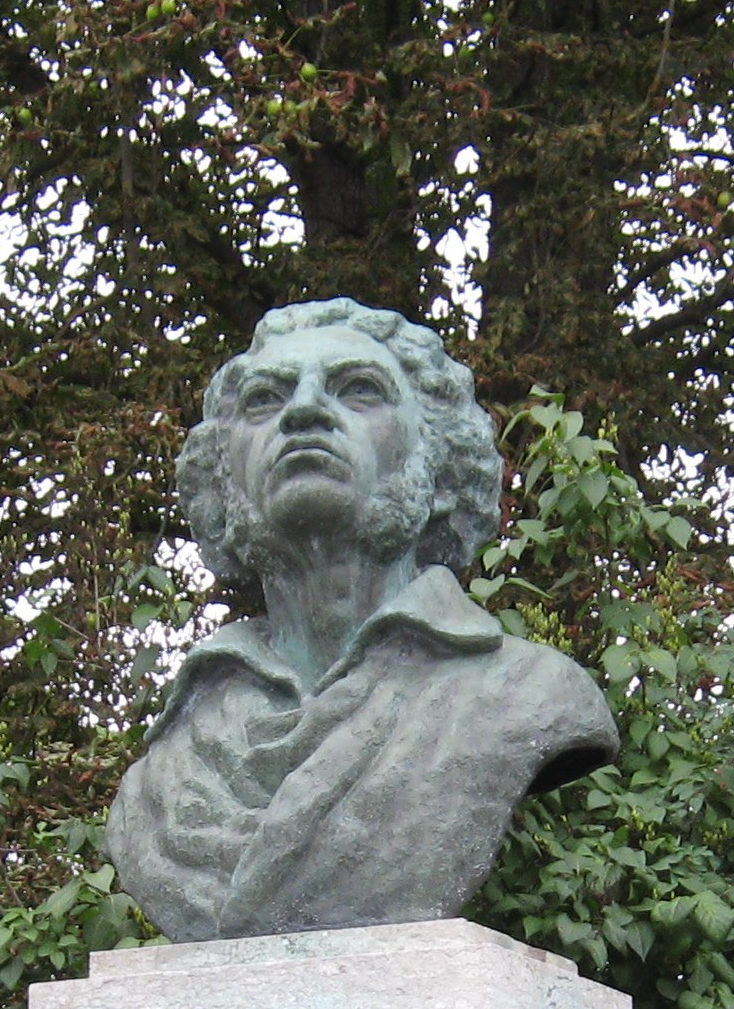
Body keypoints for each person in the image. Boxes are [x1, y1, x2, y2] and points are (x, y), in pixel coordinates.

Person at [105, 299, 619, 942]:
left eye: (359, 390)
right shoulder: (170, 758)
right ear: (223, 481)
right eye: (265, 400)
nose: (303, 411)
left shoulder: (525, 697)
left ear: (442, 467)